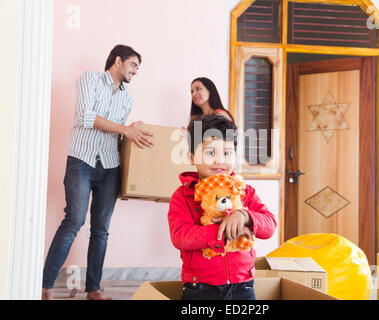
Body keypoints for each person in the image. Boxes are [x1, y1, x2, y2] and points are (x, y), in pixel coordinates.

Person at [42, 45, 153, 300]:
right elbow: (85, 116)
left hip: (111, 167)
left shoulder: (128, 98)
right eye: (133, 65)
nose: (135, 71)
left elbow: (119, 134)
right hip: (81, 161)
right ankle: (45, 284)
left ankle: (94, 289)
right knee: (74, 220)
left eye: (138, 68)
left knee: (101, 230)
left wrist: (130, 131)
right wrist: (125, 129)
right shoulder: (90, 78)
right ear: (117, 60)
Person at [168, 114, 277, 300]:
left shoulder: (244, 191)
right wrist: (224, 231)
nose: (220, 160)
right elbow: (180, 236)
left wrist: (244, 215)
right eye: (211, 153)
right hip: (199, 286)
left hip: (243, 284)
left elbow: (270, 226)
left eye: (227, 153)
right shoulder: (183, 196)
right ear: (192, 157)